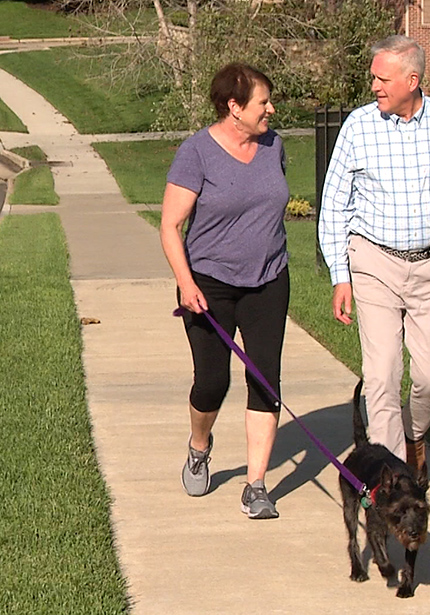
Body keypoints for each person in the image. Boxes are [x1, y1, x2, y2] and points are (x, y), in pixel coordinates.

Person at [318, 35, 430, 480]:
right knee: (380, 376)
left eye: (382, 78)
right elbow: (334, 205)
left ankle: (413, 436)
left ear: (412, 80)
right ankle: (392, 477)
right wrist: (341, 275)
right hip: (374, 262)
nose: (374, 85)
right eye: (373, 77)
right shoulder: (358, 127)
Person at [160, 63, 290, 519]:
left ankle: (256, 484)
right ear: (234, 107)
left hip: (269, 279)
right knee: (213, 382)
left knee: (265, 379)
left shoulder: (274, 146)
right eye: (262, 102)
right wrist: (187, 283)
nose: (271, 109)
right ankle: (200, 446)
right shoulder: (197, 152)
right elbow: (171, 226)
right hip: (209, 284)